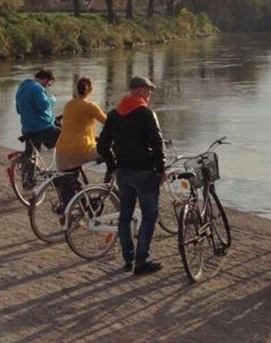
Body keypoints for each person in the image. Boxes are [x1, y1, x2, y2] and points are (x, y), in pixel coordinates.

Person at [97, 76, 165, 276]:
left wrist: (113, 165)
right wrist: (161, 169)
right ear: (141, 90)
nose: (150, 93)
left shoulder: (114, 114)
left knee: (125, 215)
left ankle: (129, 258)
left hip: (123, 172)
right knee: (149, 215)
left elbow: (102, 145)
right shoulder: (146, 113)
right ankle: (142, 261)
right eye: (149, 90)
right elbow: (157, 142)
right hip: (145, 172)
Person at [53, 77, 107, 208]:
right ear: (91, 90)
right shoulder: (90, 106)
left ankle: (76, 205)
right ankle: (107, 187)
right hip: (80, 150)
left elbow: (75, 127)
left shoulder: (69, 104)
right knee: (109, 153)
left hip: (61, 151)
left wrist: (93, 137)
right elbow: (110, 123)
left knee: (71, 177)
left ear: (77, 90)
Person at [15, 68, 60, 188]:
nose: (48, 87)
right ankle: (64, 175)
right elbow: (43, 106)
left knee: (32, 154)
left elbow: (19, 110)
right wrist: (52, 99)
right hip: (43, 127)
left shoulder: (22, 87)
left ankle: (28, 180)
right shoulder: (37, 88)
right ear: (45, 79)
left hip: (27, 128)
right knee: (66, 139)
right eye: (49, 84)